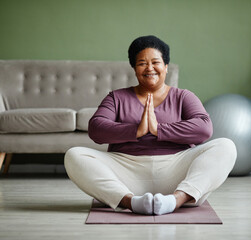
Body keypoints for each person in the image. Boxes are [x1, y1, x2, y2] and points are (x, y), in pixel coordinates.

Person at [64, 35, 237, 215]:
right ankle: (132, 202)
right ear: (134, 68)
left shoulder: (183, 96)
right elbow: (96, 129)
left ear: (166, 66)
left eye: (156, 62)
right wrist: (136, 130)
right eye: (141, 63)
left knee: (226, 146)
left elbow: (204, 128)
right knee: (74, 155)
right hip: (127, 169)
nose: (150, 68)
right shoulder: (116, 98)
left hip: (175, 169)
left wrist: (158, 130)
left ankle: (176, 199)